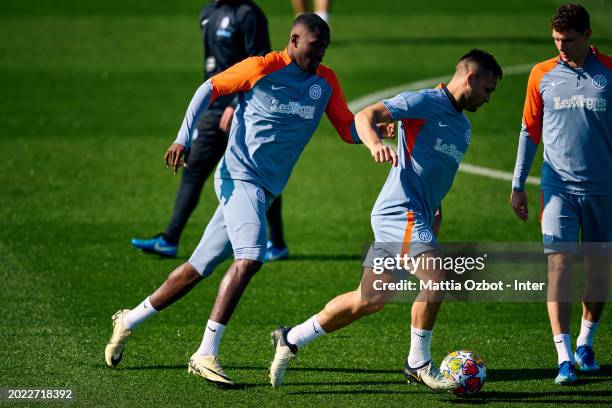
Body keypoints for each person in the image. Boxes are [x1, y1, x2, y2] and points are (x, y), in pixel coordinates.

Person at [105, 14, 394, 386]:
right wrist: (184, 138)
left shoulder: (325, 81)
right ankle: (205, 352)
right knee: (251, 257)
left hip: (267, 188)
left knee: (197, 268)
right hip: (238, 176)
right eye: (314, 46)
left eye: (325, 47)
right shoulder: (261, 67)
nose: (320, 53)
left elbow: (345, 127)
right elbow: (207, 89)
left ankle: (128, 320)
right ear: (293, 39)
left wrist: (371, 131)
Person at [269, 49, 502, 391]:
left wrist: (436, 213)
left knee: (370, 299)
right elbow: (367, 114)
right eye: (488, 89)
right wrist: (376, 143)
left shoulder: (463, 129)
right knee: (437, 279)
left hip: (418, 215)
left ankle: (291, 338)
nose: (488, 98)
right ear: (470, 78)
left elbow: (435, 175)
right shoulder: (425, 101)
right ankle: (418, 362)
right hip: (399, 212)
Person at [130, 0, 289, 262]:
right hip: (214, 108)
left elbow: (260, 67)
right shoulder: (209, 12)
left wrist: (236, 103)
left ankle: (278, 243)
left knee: (259, 174)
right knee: (193, 170)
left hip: (241, 109)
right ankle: (170, 239)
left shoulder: (249, 15)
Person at [510, 3, 610, 385]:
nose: (562, 47)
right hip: (558, 190)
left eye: (568, 40)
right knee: (560, 268)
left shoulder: (611, 72)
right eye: (556, 40)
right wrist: (518, 184)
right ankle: (563, 355)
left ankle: (586, 340)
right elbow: (528, 131)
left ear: (587, 36)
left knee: (600, 273)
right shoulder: (541, 74)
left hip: (604, 190)